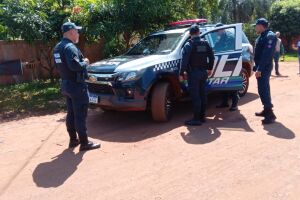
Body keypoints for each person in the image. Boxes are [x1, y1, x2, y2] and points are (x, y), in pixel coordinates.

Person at [53, 21, 100, 151]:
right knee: (80, 115)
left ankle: (73, 140)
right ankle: (84, 143)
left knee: (71, 113)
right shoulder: (70, 47)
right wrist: (85, 62)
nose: (78, 33)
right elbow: (74, 66)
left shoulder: (57, 47)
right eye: (77, 31)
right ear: (71, 32)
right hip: (77, 86)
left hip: (66, 85)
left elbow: (58, 65)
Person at [180, 25, 215, 126]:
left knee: (196, 96)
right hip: (203, 73)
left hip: (193, 74)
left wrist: (182, 73)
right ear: (199, 32)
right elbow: (211, 56)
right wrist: (209, 68)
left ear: (190, 34)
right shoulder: (205, 43)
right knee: (202, 94)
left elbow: (184, 61)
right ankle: (202, 116)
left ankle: (196, 119)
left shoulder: (189, 45)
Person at [253, 18, 277, 124]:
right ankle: (266, 109)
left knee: (264, 89)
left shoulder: (270, 36)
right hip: (260, 67)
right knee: (261, 89)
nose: (255, 27)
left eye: (256, 25)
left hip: (264, 67)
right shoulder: (262, 36)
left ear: (261, 25)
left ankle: (270, 114)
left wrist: (260, 69)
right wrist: (256, 66)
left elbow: (266, 55)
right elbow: (258, 53)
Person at [214, 23, 239, 111]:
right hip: (222, 63)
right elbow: (217, 47)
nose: (216, 33)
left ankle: (234, 104)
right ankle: (224, 102)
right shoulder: (221, 38)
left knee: (232, 84)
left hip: (230, 63)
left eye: (217, 31)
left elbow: (226, 49)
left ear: (222, 29)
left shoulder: (229, 37)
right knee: (223, 85)